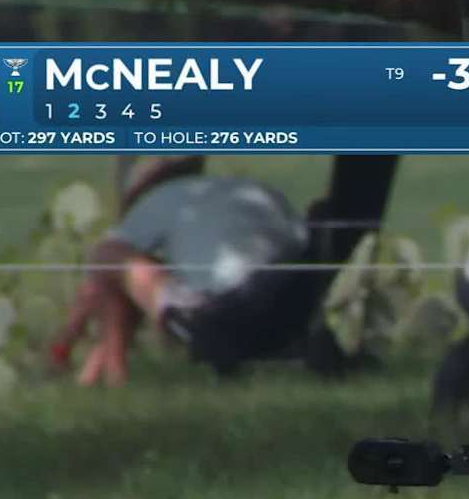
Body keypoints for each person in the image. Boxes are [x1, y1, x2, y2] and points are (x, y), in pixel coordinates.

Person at [47, 157, 312, 386]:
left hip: (216, 321)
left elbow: (101, 273)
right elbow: (301, 242)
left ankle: (112, 377)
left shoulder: (161, 199)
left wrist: (67, 338)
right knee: (124, 271)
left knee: (112, 256)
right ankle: (90, 375)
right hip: (290, 316)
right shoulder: (256, 191)